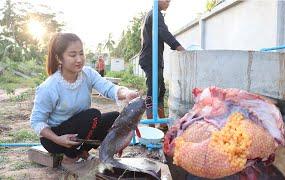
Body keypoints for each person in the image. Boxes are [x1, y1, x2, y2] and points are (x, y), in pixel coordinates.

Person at [30, 33, 139, 166]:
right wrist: (58, 139)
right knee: (92, 116)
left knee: (115, 118)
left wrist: (126, 93)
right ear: (59, 58)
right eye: (73, 55)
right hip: (56, 139)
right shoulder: (49, 87)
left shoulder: (88, 74)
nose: (79, 59)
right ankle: (70, 157)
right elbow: (36, 122)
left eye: (81, 53)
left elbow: (108, 88)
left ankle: (80, 152)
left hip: (81, 130)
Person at [139, 0, 185, 130]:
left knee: (160, 90)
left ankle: (163, 124)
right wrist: (179, 48)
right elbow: (163, 32)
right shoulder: (154, 13)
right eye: (166, 0)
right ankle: (150, 127)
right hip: (150, 59)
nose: (168, 3)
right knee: (153, 91)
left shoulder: (154, 13)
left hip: (153, 59)